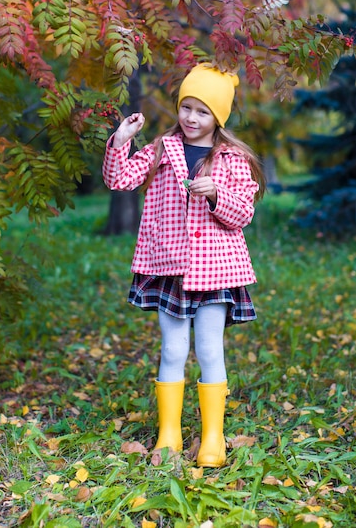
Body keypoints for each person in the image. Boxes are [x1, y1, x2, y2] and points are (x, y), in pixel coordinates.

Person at [102, 63, 265, 468]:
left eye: (203, 111)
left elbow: (242, 213)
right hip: (169, 266)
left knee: (210, 349)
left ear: (218, 117)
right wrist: (120, 141)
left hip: (216, 270)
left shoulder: (232, 158)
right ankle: (169, 435)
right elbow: (118, 180)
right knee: (173, 348)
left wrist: (216, 195)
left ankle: (213, 437)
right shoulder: (161, 148)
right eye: (186, 107)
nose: (192, 118)